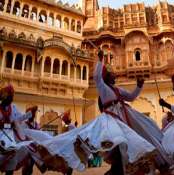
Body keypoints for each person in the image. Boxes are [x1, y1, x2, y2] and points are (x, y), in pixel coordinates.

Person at [26, 49, 158, 175]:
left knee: (139, 132)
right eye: (112, 73)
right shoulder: (103, 88)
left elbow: (131, 97)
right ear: (107, 76)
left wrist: (139, 86)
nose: (115, 75)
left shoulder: (117, 90)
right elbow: (96, 77)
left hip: (121, 119)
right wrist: (100, 60)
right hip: (111, 120)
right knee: (119, 143)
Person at [0, 84, 37, 174]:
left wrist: (30, 113)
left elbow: (19, 118)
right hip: (1, 136)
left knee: (23, 148)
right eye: (11, 96)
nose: (12, 99)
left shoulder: (13, 107)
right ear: (5, 97)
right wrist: (8, 125)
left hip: (11, 137)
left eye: (12, 96)